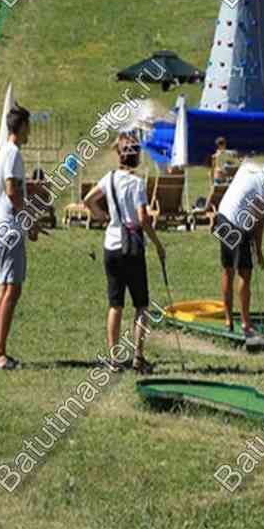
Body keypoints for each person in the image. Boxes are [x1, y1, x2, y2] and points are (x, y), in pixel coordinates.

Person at [84, 133, 166, 374]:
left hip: (111, 246)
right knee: (141, 305)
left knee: (115, 304)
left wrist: (105, 218)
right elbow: (142, 219)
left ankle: (113, 360)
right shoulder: (137, 183)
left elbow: (88, 201)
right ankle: (138, 358)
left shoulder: (108, 178)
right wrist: (158, 244)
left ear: (119, 156)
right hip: (133, 247)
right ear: (136, 157)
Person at [214, 151, 264, 335]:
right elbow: (259, 222)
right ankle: (246, 323)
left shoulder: (250, 166)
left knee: (227, 270)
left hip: (222, 215)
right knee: (244, 274)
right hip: (238, 222)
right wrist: (258, 250)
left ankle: (229, 320)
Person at [0, 105, 36, 370]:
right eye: (29, 126)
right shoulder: (14, 153)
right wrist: (30, 221)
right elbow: (12, 192)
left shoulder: (2, 152)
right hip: (9, 227)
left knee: (4, 289)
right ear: (22, 126)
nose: (31, 131)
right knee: (12, 290)